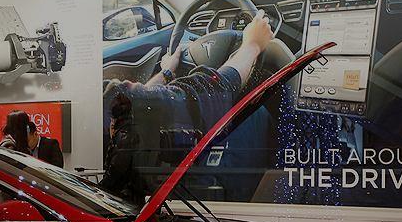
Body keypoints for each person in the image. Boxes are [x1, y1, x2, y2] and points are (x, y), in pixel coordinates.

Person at [100, 10, 275, 202]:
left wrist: (166, 72)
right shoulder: (104, 102)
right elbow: (208, 96)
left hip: (112, 189)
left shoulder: (93, 103)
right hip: (126, 203)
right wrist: (252, 45)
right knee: (254, 115)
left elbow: (138, 105)